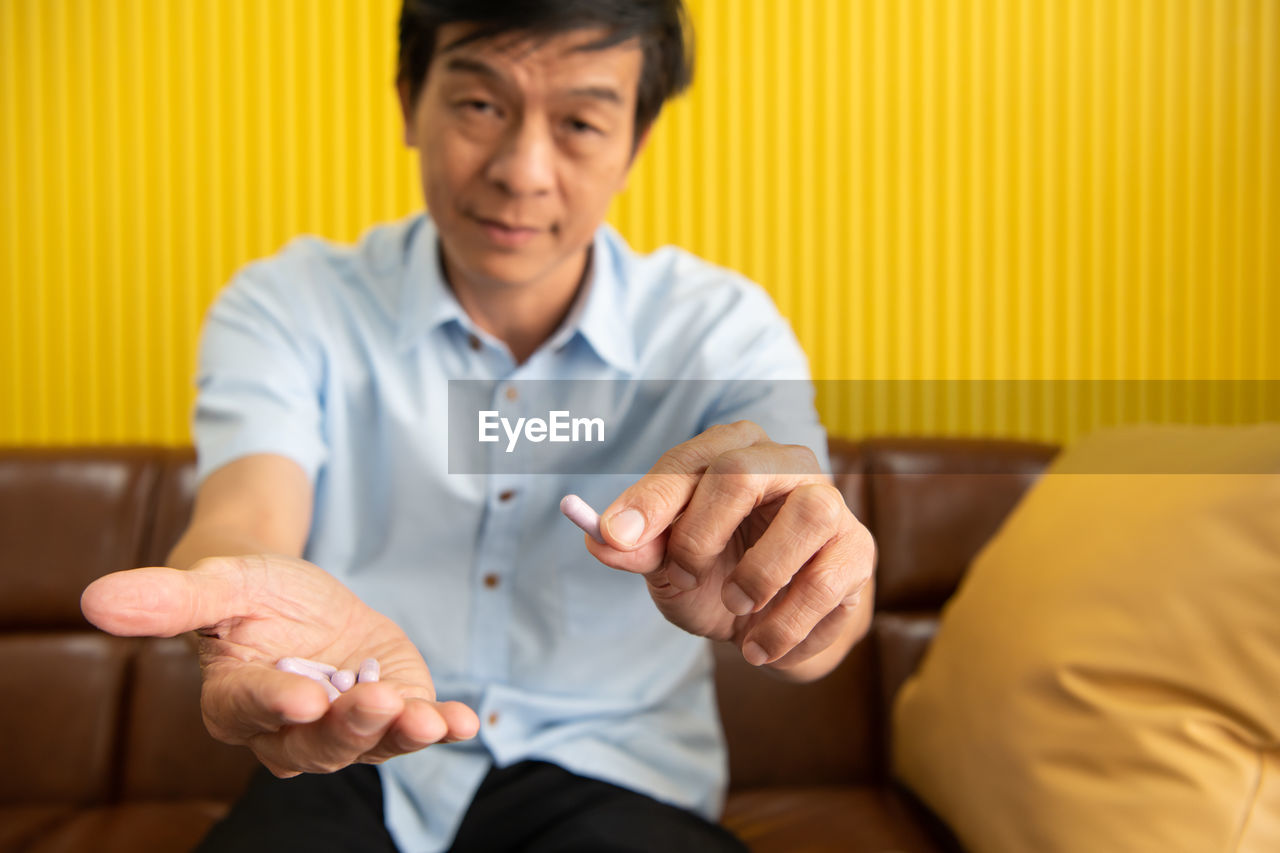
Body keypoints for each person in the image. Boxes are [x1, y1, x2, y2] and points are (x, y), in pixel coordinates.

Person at [80, 2, 876, 850]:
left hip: (620, 779)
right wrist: (240, 589)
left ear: (635, 145)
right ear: (409, 102)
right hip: (351, 759)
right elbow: (245, 514)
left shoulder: (721, 330)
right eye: (480, 106)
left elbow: (821, 584)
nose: (523, 170)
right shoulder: (289, 304)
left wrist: (800, 603)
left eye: (579, 122)